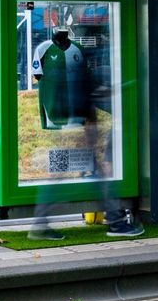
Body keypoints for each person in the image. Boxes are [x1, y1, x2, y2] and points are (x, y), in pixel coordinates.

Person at [29, 26, 143, 240]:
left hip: (68, 120)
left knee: (79, 172)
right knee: (90, 173)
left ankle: (41, 223)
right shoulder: (80, 57)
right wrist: (89, 121)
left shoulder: (78, 54)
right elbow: (84, 87)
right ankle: (116, 222)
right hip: (78, 123)